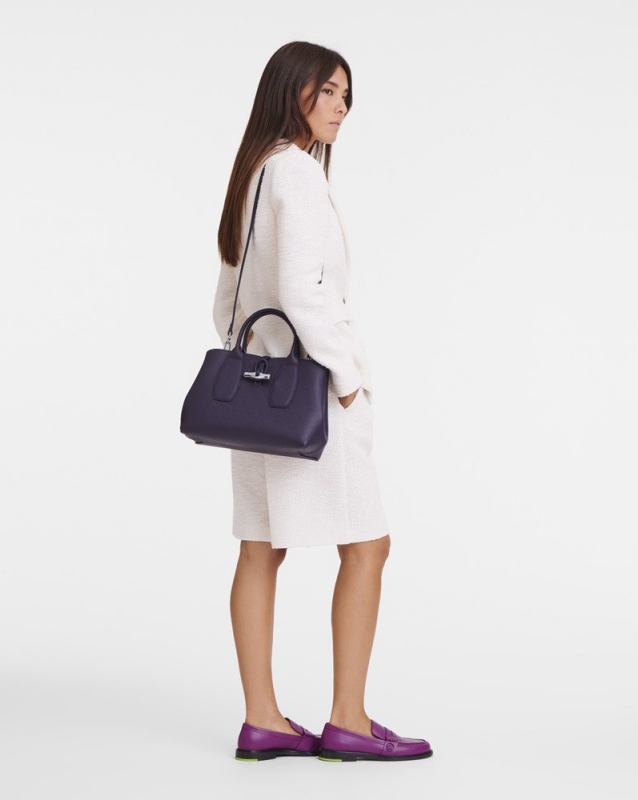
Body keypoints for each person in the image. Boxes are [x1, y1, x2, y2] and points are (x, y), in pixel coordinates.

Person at [212, 40, 432, 763]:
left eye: (346, 95)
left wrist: (261, 359)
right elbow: (303, 291)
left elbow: (227, 302)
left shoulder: (253, 172)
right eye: (327, 91)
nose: (340, 107)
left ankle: (263, 720)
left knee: (259, 549)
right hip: (311, 396)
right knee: (368, 545)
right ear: (291, 89)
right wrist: (346, 377)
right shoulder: (299, 173)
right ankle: (349, 721)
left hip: (256, 397)